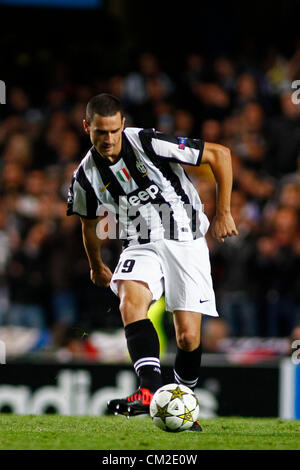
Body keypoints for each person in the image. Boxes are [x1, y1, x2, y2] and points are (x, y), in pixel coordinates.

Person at [66, 93, 238, 431]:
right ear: (87, 128)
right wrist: (96, 265)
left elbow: (221, 154)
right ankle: (148, 390)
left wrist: (224, 212)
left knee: (188, 337)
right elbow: (87, 225)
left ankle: (182, 404)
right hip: (139, 243)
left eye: (114, 131)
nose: (109, 139)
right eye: (101, 132)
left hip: (184, 238)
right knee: (130, 301)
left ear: (123, 125)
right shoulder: (85, 177)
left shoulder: (147, 141)